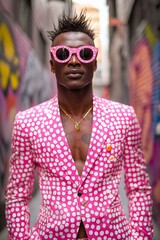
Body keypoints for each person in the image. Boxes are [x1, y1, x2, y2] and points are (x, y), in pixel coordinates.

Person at [5, 10, 153, 240]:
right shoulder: (28, 123)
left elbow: (138, 188)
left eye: (84, 53)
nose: (74, 60)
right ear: (53, 64)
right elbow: (17, 195)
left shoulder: (124, 117)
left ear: (94, 63)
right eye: (63, 54)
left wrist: (140, 237)